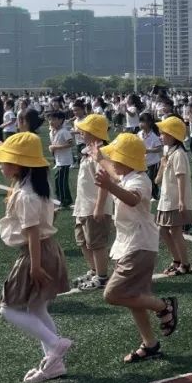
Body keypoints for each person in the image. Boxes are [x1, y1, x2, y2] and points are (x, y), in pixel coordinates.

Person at [0, 133, 72, 383]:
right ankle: (54, 363)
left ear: (19, 164)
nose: (1, 165)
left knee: (8, 308)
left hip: (35, 252)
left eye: (5, 160)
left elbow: (33, 232)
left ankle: (55, 345)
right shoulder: (33, 187)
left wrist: (34, 267)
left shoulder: (27, 194)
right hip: (46, 249)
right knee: (37, 307)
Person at [93, 133, 178, 363]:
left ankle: (163, 305)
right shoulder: (127, 175)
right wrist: (100, 158)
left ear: (126, 160)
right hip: (130, 244)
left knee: (113, 294)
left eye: (115, 157)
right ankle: (150, 344)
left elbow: (131, 198)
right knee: (133, 296)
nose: (113, 162)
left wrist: (109, 185)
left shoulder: (140, 180)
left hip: (139, 245)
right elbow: (113, 173)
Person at [72, 114, 114, 291]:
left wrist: (99, 206)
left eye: (85, 130)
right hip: (83, 205)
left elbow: (104, 183)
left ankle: (102, 276)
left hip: (94, 206)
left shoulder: (101, 153)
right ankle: (94, 269)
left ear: (94, 132)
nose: (81, 132)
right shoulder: (87, 151)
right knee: (82, 240)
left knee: (96, 243)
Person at [155, 116, 192, 276]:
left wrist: (182, 200)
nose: (160, 136)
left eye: (163, 133)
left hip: (174, 199)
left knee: (175, 231)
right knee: (163, 231)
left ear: (172, 135)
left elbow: (181, 177)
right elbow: (157, 180)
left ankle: (184, 263)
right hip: (166, 199)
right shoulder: (168, 152)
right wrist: (162, 167)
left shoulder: (179, 154)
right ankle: (177, 260)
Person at [47, 112, 74, 209]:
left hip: (65, 161)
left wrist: (55, 147)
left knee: (61, 182)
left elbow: (70, 144)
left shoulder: (64, 131)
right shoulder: (52, 132)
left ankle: (64, 201)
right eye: (50, 119)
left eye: (54, 119)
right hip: (58, 161)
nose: (51, 122)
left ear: (61, 120)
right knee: (58, 181)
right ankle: (64, 200)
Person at [138, 114, 163, 200]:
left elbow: (159, 148)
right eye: (140, 121)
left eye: (142, 122)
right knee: (144, 179)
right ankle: (146, 194)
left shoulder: (154, 136)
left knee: (152, 180)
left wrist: (148, 150)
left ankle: (155, 196)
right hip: (143, 162)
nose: (140, 124)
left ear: (149, 123)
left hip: (153, 162)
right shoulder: (139, 134)